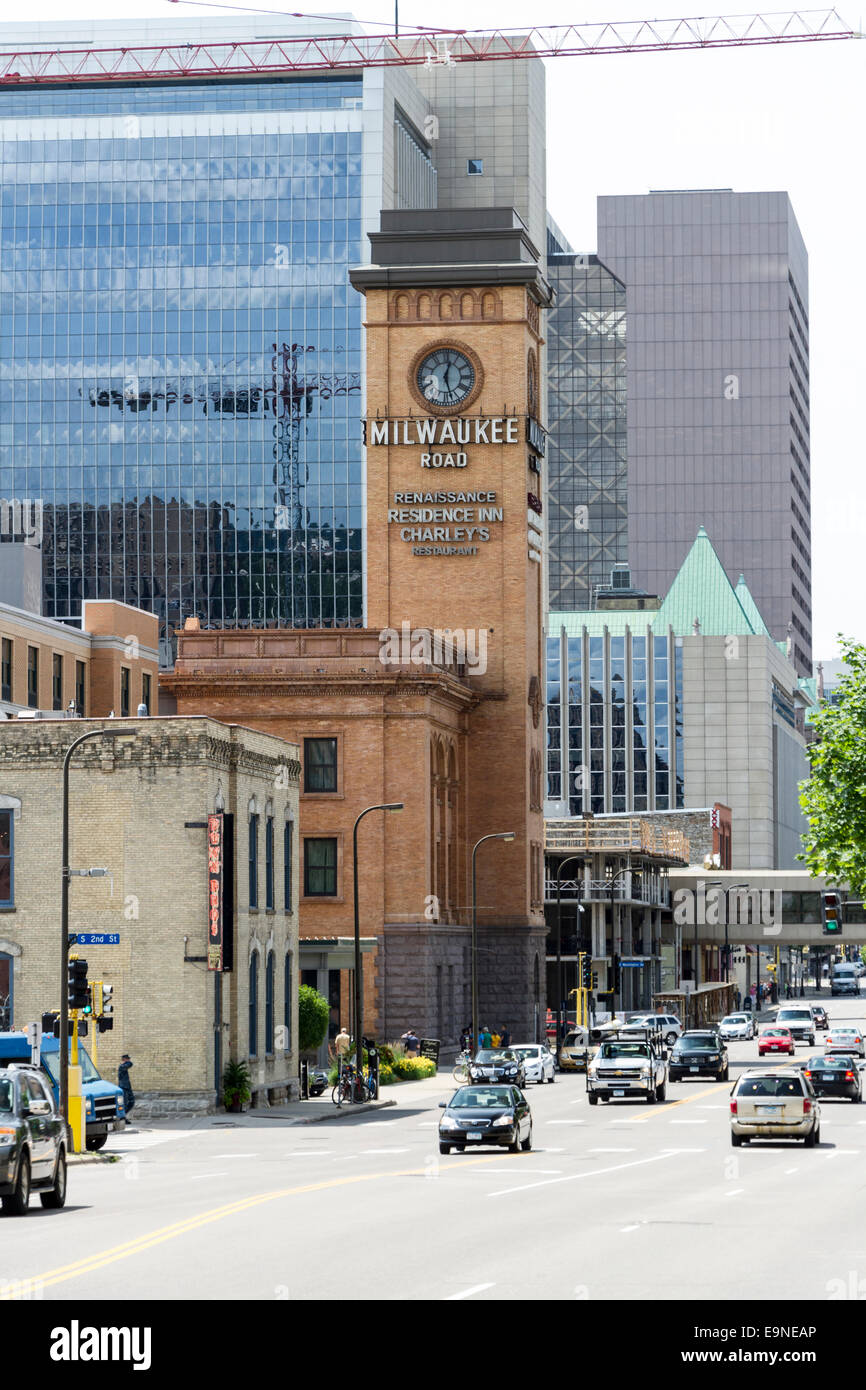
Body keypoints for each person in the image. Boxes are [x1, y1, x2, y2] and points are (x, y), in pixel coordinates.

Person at [118, 1054, 135, 1124]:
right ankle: (122, 1117)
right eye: (127, 1059)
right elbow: (130, 1064)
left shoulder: (124, 1066)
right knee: (124, 1104)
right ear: (124, 1059)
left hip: (127, 1087)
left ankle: (123, 1116)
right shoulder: (122, 1067)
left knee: (132, 1102)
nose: (129, 1060)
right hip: (123, 1088)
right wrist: (126, 1062)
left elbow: (130, 1064)